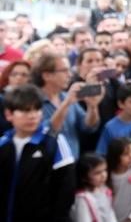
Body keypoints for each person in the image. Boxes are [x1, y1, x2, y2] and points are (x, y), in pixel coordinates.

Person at [0, 84, 76, 222]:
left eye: (37, 109)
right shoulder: (3, 144)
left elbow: (65, 190)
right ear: (9, 114)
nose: (32, 116)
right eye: (25, 110)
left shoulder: (54, 142)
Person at [35, 52, 102, 157]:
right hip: (48, 165)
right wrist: (66, 103)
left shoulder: (66, 96)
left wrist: (92, 106)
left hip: (72, 164)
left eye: (69, 70)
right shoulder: (34, 101)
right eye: (64, 71)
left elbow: (88, 127)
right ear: (47, 75)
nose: (70, 75)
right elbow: (47, 132)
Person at [71, 152, 116, 222]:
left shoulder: (104, 190)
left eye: (105, 170)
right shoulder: (82, 199)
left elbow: (110, 214)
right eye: (97, 173)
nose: (103, 175)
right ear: (84, 177)